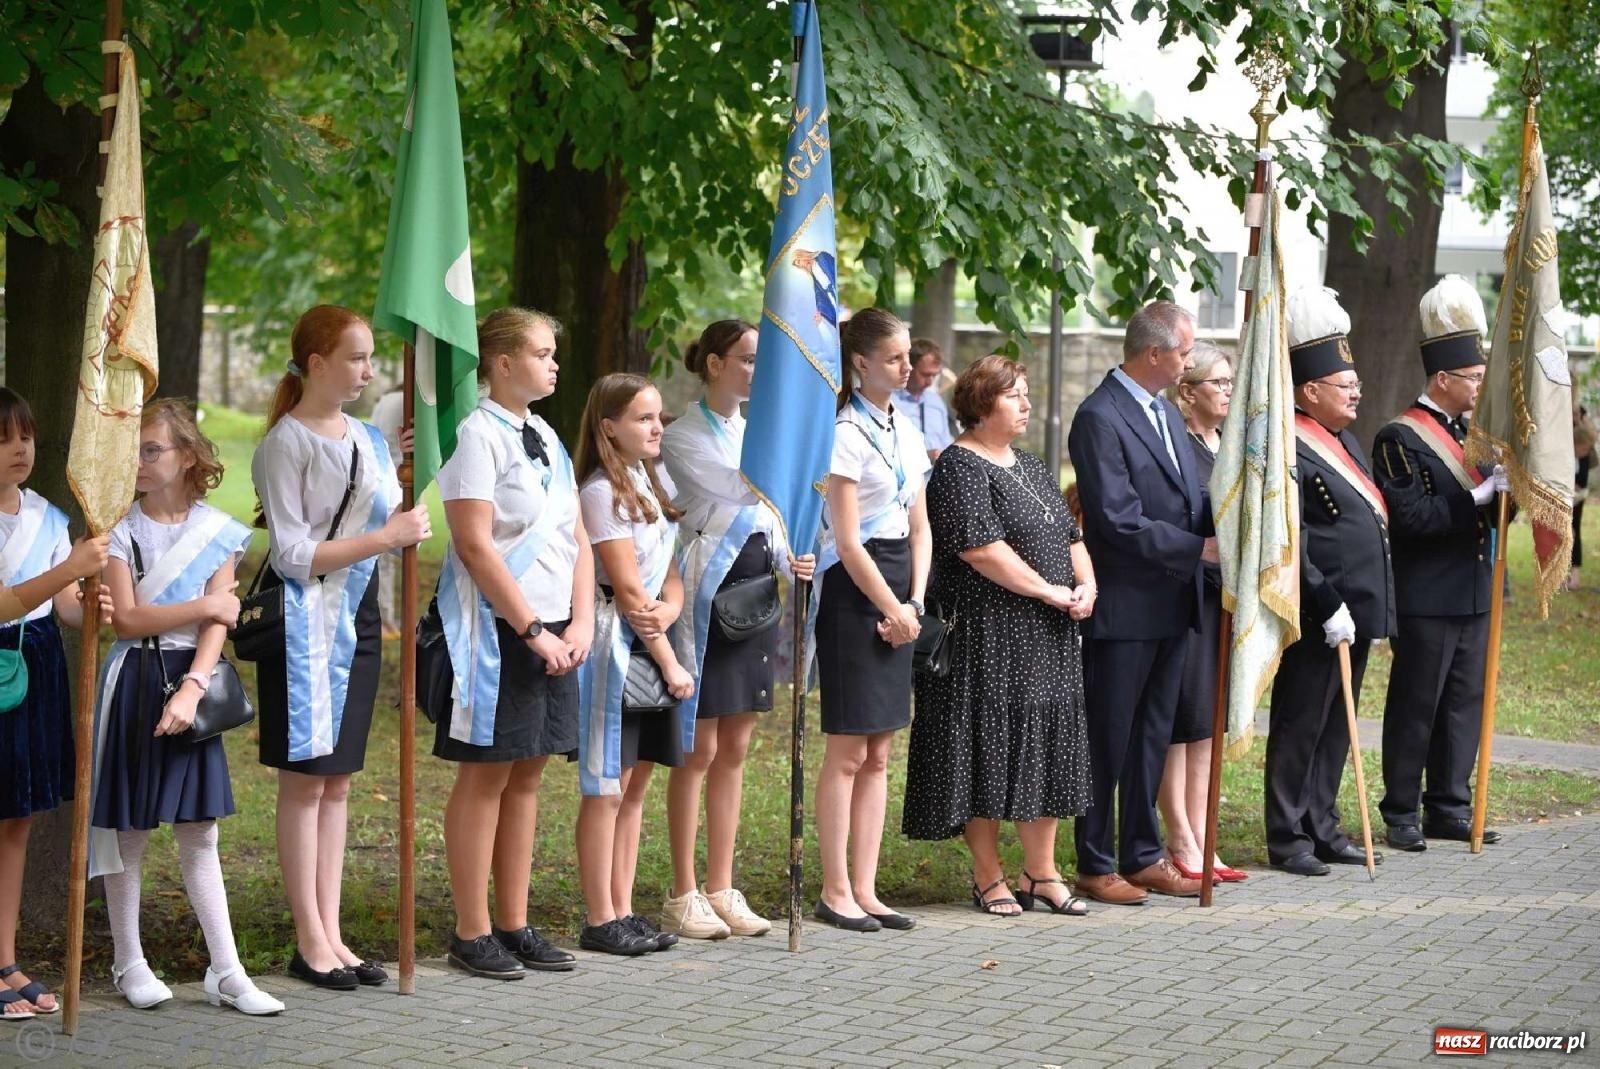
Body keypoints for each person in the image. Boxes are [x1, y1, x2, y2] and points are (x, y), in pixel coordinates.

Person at [252, 305, 430, 988]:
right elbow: (293, 552)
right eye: (355, 357)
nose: (368, 369)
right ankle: (309, 938)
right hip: (300, 629)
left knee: (338, 783)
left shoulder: (368, 437)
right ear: (317, 362)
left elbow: (387, 510)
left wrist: (405, 465)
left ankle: (333, 931)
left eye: (370, 356)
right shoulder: (284, 443)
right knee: (305, 783)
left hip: (354, 622)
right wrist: (385, 539)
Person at [87, 399, 284, 1015]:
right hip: (137, 678)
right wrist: (203, 607)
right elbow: (130, 620)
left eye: (153, 450)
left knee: (201, 831)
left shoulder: (218, 530)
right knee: (132, 828)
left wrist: (195, 686)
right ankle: (129, 961)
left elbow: (220, 628)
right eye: (134, 452)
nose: (141, 462)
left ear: (189, 455)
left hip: (193, 683)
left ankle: (226, 971)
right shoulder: (120, 530)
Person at [427, 308, 589, 979]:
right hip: (498, 631)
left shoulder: (546, 433)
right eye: (543, 352)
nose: (554, 364)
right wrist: (531, 628)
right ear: (501, 361)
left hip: (557, 629)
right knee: (486, 774)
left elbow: (575, 535)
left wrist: (577, 624)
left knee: (528, 773)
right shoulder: (474, 434)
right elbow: (472, 542)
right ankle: (471, 930)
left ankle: (514, 921)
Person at [903, 355, 1094, 918]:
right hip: (988, 634)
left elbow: (1071, 536)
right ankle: (989, 877)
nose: (1027, 404)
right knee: (982, 750)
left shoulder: (1032, 467)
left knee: (1047, 747)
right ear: (982, 403)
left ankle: (1042, 873)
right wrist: (1050, 591)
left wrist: (1085, 587)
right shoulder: (960, 468)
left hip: (1049, 634)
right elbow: (982, 551)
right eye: (1014, 395)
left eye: (1027, 393)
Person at [659, 319, 816, 940]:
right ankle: (683, 891)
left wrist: (791, 557)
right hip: (708, 596)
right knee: (698, 749)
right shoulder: (684, 436)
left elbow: (773, 516)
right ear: (715, 364)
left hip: (757, 596)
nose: (757, 372)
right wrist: (789, 449)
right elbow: (739, 488)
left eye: (763, 362)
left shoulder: (755, 431)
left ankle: (722, 885)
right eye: (748, 360)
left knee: (737, 748)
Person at [1067, 301, 1216, 905]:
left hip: (1171, 601)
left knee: (1153, 734)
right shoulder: (1099, 417)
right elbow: (1117, 518)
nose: (1189, 362)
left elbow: (1188, 498)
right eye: (1184, 352)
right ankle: (1095, 860)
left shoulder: (1166, 414)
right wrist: (1197, 549)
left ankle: (1142, 852)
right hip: (1125, 605)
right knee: (1109, 735)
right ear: (1154, 353)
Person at [1372, 276, 1509, 851]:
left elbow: (1495, 519)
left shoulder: (1478, 437)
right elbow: (1410, 518)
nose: (1481, 387)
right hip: (1428, 594)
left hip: (1475, 590)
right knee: (1417, 705)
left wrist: (1509, 493)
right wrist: (1473, 499)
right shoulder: (1398, 437)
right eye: (1474, 378)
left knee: (1463, 706)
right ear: (1443, 378)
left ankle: (1449, 804)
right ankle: (1402, 809)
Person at [1266, 287, 1394, 876]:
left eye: (1356, 384)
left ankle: (1323, 823)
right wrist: (1324, 600)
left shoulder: (1344, 440)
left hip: (1356, 609)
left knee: (1337, 722)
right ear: (1310, 391)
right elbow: (1292, 538)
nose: (1357, 393)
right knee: (1301, 721)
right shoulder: (1291, 443)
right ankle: (1287, 834)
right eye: (1346, 386)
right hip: (1321, 607)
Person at [811, 307, 931, 932]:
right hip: (855, 589)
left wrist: (913, 604)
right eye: (894, 358)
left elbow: (921, 523)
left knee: (881, 751)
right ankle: (834, 890)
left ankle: (867, 886)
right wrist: (890, 606)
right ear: (860, 364)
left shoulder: (906, 429)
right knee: (849, 751)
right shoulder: (844, 435)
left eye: (908, 356)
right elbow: (849, 541)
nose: (908, 367)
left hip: (902, 590)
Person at [574, 373, 695, 956]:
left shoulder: (653, 479)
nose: (657, 427)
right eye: (644, 418)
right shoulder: (599, 493)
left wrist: (670, 612)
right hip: (616, 650)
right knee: (607, 786)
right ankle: (600, 915)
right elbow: (626, 590)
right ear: (608, 427)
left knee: (636, 783)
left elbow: (667, 580)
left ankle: (624, 907)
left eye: (659, 416)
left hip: (651, 636)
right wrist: (671, 664)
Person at [0, 388, 111, 1021]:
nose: (20, 449)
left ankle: (5, 957)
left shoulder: (44, 512)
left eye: (27, 436)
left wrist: (89, 607)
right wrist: (70, 566)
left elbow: (61, 604)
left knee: (17, 819)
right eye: (5, 438)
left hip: (36, 666)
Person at [1158, 344, 1247, 883]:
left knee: (1207, 724)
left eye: (1231, 382)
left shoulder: (1229, 447)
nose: (1228, 391)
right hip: (1187, 592)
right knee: (1182, 721)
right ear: (1188, 392)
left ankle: (1202, 830)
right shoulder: (1179, 447)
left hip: (1224, 599)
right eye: (1218, 382)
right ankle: (1179, 836)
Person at [369, 388, 404, 638]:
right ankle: (385, 618)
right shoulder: (404, 401)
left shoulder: (385, 400)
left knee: (384, 557)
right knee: (385, 556)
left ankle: (386, 616)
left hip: (380, 476)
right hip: (399, 477)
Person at [893, 338, 955, 463]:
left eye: (934, 375)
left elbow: (946, 441)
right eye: (925, 375)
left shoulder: (935, 400)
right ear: (909, 368)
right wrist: (925, 456)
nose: (930, 382)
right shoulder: (889, 401)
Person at [1573, 401, 1596, 591]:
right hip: (1565, 498)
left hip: (1577, 498)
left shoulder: (1582, 413)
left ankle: (1574, 575)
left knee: (1575, 532)